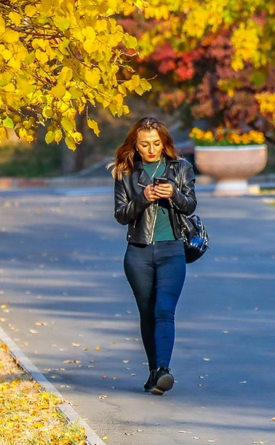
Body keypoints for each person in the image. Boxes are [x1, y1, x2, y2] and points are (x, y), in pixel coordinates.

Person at [113, 117, 197, 395]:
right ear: (135, 146)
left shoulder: (181, 168)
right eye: (144, 145)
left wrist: (173, 194)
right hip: (138, 253)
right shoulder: (126, 173)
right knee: (148, 313)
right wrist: (143, 197)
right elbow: (121, 215)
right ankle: (154, 373)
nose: (151, 150)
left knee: (164, 311)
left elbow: (190, 205)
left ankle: (163, 370)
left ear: (164, 142)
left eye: (156, 144)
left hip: (172, 250)